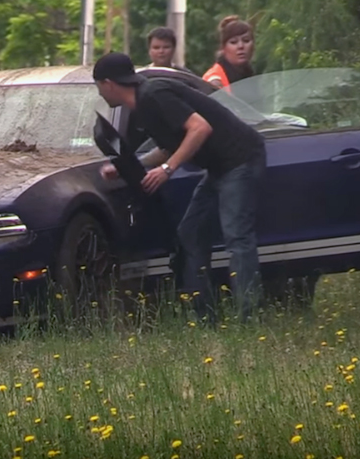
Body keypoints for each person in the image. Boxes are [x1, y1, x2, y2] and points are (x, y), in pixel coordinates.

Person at [93, 52, 267, 323]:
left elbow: (199, 128)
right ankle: (204, 316)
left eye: (98, 87)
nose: (100, 94)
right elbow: (168, 146)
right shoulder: (143, 105)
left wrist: (167, 170)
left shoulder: (154, 94)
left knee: (237, 237)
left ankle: (250, 317)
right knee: (190, 233)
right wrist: (129, 166)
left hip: (240, 159)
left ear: (108, 83)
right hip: (219, 167)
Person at [203, 15, 256, 89]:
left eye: (246, 40)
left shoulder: (249, 74)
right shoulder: (215, 79)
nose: (241, 46)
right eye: (233, 42)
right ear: (223, 47)